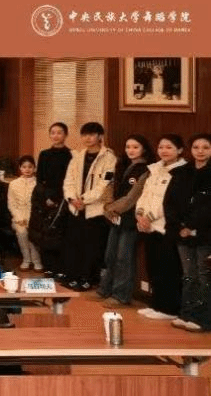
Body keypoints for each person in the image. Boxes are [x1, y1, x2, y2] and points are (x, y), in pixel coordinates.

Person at [129, 134, 186, 320]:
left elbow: (171, 202)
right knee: (153, 267)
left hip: (165, 226)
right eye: (161, 147)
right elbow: (144, 195)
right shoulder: (154, 169)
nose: (164, 151)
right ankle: (157, 304)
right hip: (147, 226)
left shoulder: (182, 172)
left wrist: (149, 218)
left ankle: (169, 309)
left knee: (168, 269)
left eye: (169, 147)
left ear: (179, 150)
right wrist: (140, 215)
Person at [97, 135, 153, 308]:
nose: (131, 150)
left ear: (144, 149)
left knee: (124, 258)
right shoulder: (121, 165)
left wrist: (112, 208)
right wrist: (107, 206)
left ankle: (121, 296)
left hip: (130, 219)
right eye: (128, 146)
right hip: (115, 217)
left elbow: (132, 197)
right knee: (110, 255)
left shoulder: (146, 169)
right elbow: (109, 187)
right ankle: (105, 289)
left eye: (135, 147)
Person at [61, 122, 117, 291]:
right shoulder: (77, 156)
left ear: (100, 136)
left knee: (92, 246)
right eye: (84, 135)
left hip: (95, 210)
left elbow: (104, 185)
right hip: (75, 208)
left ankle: (88, 279)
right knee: (75, 245)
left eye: (92, 134)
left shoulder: (109, 158)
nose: (87, 138)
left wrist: (84, 200)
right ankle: (73, 276)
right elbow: (68, 181)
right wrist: (72, 199)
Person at [172, 134, 211, 332]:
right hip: (182, 232)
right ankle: (186, 314)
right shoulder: (181, 172)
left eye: (206, 147)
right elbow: (170, 202)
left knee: (204, 277)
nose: (200, 151)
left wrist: (193, 226)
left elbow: (206, 208)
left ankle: (203, 319)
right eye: (196, 147)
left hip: (205, 233)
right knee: (188, 275)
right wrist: (180, 226)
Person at [37, 122, 73, 276]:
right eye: (53, 132)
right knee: (47, 233)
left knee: (62, 234)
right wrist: (46, 197)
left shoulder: (72, 155)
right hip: (47, 198)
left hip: (65, 198)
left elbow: (71, 179)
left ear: (66, 135)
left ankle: (61, 269)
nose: (56, 135)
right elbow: (40, 179)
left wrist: (63, 198)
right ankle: (48, 267)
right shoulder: (44, 154)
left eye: (59, 132)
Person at [7, 156, 42, 270]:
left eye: (30, 167)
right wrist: (18, 217)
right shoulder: (13, 184)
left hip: (35, 216)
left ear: (34, 168)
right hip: (19, 216)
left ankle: (36, 261)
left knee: (33, 234)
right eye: (24, 167)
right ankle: (26, 259)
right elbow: (11, 203)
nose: (27, 169)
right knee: (22, 232)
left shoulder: (38, 183)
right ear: (20, 168)